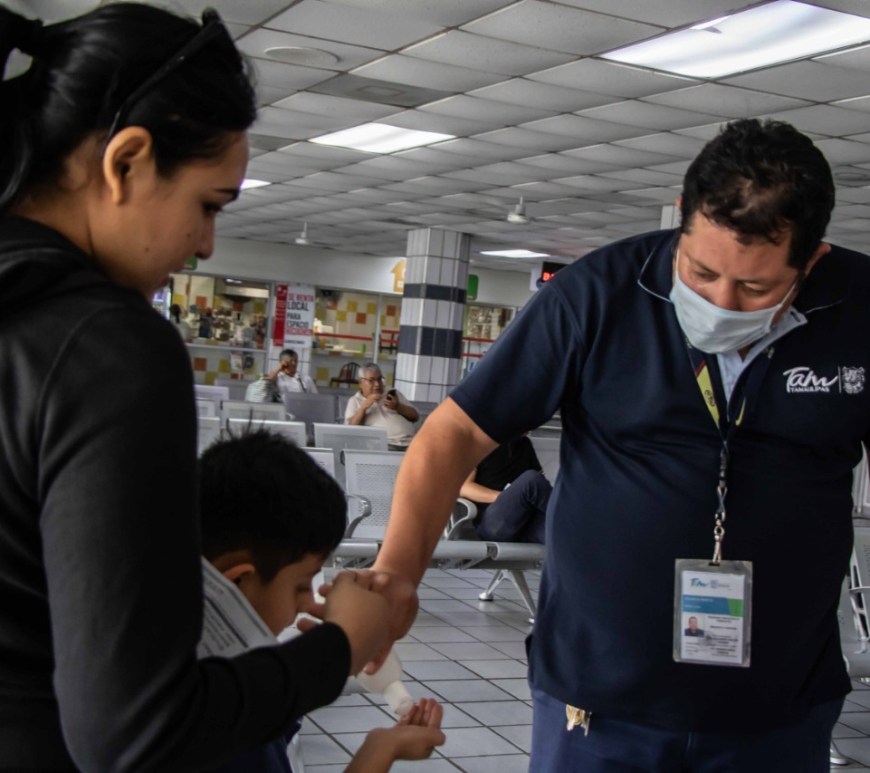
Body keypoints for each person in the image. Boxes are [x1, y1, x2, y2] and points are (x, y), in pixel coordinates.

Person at [367, 118, 868, 771]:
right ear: (682, 216)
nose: (720, 301)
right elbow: (455, 431)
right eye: (701, 271)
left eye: (755, 288)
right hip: (599, 698)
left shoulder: (857, 308)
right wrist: (397, 575)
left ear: (814, 259)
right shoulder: (598, 294)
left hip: (779, 705)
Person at [0, 5, 390, 770]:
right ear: (127, 161)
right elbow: (134, 731)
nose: (207, 244)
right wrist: (340, 647)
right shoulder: (103, 347)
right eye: (208, 205)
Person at [198, 430, 445, 773]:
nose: (307, 603)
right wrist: (381, 750)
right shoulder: (221, 728)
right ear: (239, 580)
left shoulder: (208, 676)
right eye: (302, 586)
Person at [459, 434, 551, 543]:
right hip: (493, 522)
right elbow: (465, 488)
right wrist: (505, 496)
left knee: (560, 532)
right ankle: (567, 512)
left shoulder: (524, 444)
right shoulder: (480, 442)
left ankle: (567, 518)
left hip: (525, 522)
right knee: (531, 479)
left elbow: (542, 487)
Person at [345, 363, 419, 450]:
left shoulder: (392, 393)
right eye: (371, 380)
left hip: (411, 443)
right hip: (385, 445)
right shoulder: (355, 400)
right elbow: (350, 429)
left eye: (379, 379)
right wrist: (363, 407)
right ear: (360, 383)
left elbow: (415, 416)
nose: (377, 384)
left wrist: (398, 407)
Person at [246, 348, 318, 402]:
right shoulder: (277, 377)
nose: (294, 363)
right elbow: (267, 383)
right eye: (290, 361)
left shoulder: (305, 379)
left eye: (296, 361)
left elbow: (315, 398)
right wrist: (279, 368)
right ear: (282, 362)